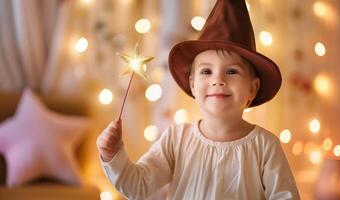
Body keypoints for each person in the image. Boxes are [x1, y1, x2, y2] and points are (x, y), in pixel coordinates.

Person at [96, 0, 300, 199]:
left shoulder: (265, 145)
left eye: (231, 71)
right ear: (193, 84)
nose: (217, 80)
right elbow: (137, 186)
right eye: (206, 71)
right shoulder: (176, 139)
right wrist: (112, 155)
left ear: (252, 88)